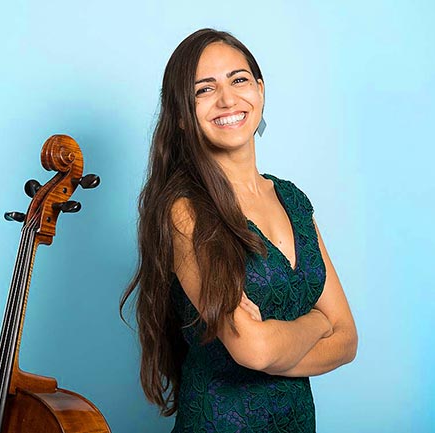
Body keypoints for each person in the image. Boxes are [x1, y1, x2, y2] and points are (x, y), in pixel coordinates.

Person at [120, 28, 358, 432]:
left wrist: (273, 341)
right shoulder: (184, 212)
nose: (228, 99)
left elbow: (348, 340)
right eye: (204, 90)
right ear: (181, 115)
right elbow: (254, 349)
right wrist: (318, 323)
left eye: (239, 79)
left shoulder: (293, 200)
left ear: (260, 90)